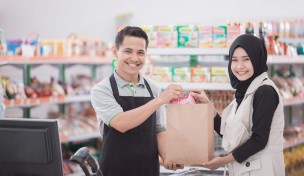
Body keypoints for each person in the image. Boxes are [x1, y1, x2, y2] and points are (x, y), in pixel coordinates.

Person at [91, 26, 184, 176]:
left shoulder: (153, 87)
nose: (134, 58)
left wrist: (168, 157)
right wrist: (160, 99)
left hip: (148, 170)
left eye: (140, 53)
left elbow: (159, 130)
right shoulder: (102, 89)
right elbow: (121, 123)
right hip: (114, 169)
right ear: (116, 52)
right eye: (128, 51)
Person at [191, 34, 285, 176]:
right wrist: (207, 106)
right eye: (234, 60)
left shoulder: (265, 91)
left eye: (246, 59)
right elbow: (230, 135)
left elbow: (259, 141)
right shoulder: (244, 92)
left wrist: (221, 161)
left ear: (257, 58)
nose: (239, 66)